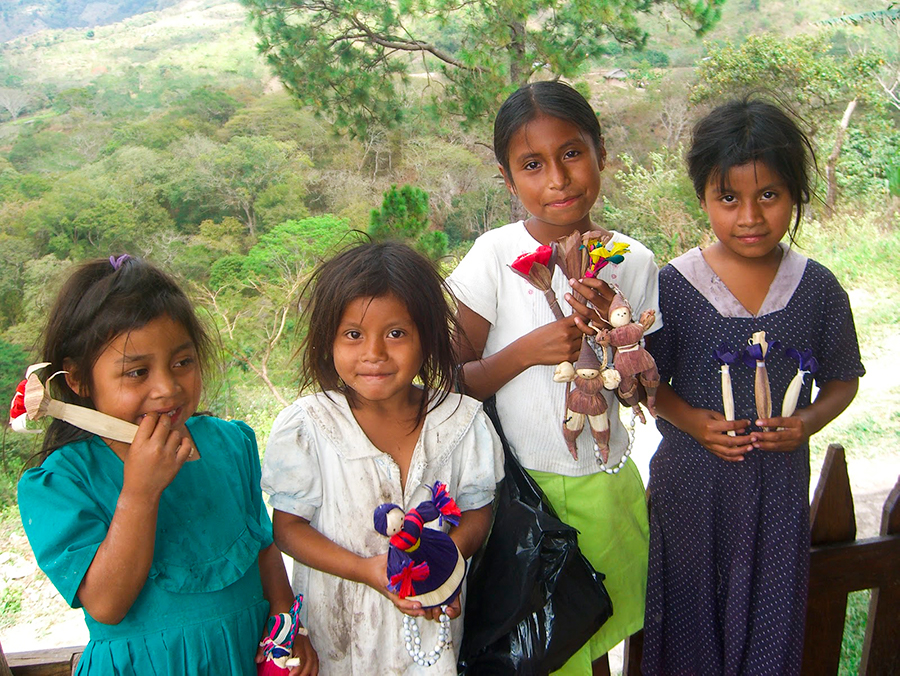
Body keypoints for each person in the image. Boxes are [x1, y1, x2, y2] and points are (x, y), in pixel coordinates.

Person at [642, 99, 865, 675]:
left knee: (770, 628)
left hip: (777, 495)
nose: (749, 217)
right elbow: (645, 384)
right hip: (692, 493)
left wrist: (807, 422)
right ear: (702, 200)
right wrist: (693, 421)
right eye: (728, 198)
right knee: (691, 631)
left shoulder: (817, 288)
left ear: (795, 194)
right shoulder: (675, 286)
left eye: (769, 195)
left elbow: (844, 380)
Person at [16, 255, 317, 676]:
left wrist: (288, 626)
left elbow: (262, 546)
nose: (168, 388)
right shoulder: (61, 482)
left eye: (182, 362)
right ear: (78, 381)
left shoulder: (229, 445)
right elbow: (106, 604)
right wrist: (140, 491)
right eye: (137, 372)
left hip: (246, 658)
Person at [448, 80, 661, 675]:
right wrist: (525, 352)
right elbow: (451, 383)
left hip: (610, 479)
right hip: (528, 497)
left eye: (571, 153)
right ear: (507, 177)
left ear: (600, 152)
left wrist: (621, 357)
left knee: (598, 637)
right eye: (532, 164)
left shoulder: (633, 259)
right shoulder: (495, 256)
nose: (558, 179)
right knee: (550, 648)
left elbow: (642, 378)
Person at [261, 241, 504, 675]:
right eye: (353, 334)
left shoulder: (461, 421)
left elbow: (477, 513)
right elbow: (289, 530)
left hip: (434, 629)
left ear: (427, 338)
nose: (374, 352)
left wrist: (445, 564)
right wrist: (365, 569)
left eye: (396, 333)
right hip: (338, 639)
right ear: (328, 340)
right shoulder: (310, 427)